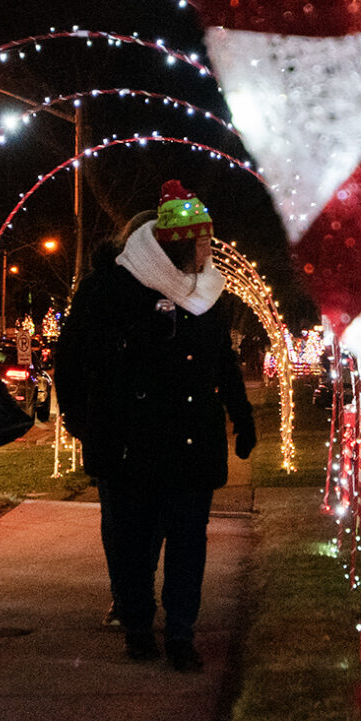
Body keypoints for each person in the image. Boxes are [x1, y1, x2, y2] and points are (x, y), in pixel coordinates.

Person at [55, 181, 256, 672]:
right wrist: (82, 421)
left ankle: (182, 632)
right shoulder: (112, 288)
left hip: (192, 436)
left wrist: (240, 411)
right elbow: (74, 358)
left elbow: (221, 359)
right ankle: (139, 625)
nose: (211, 251)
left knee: (189, 539)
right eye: (203, 242)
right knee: (133, 539)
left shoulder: (206, 290)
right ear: (178, 244)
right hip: (132, 439)